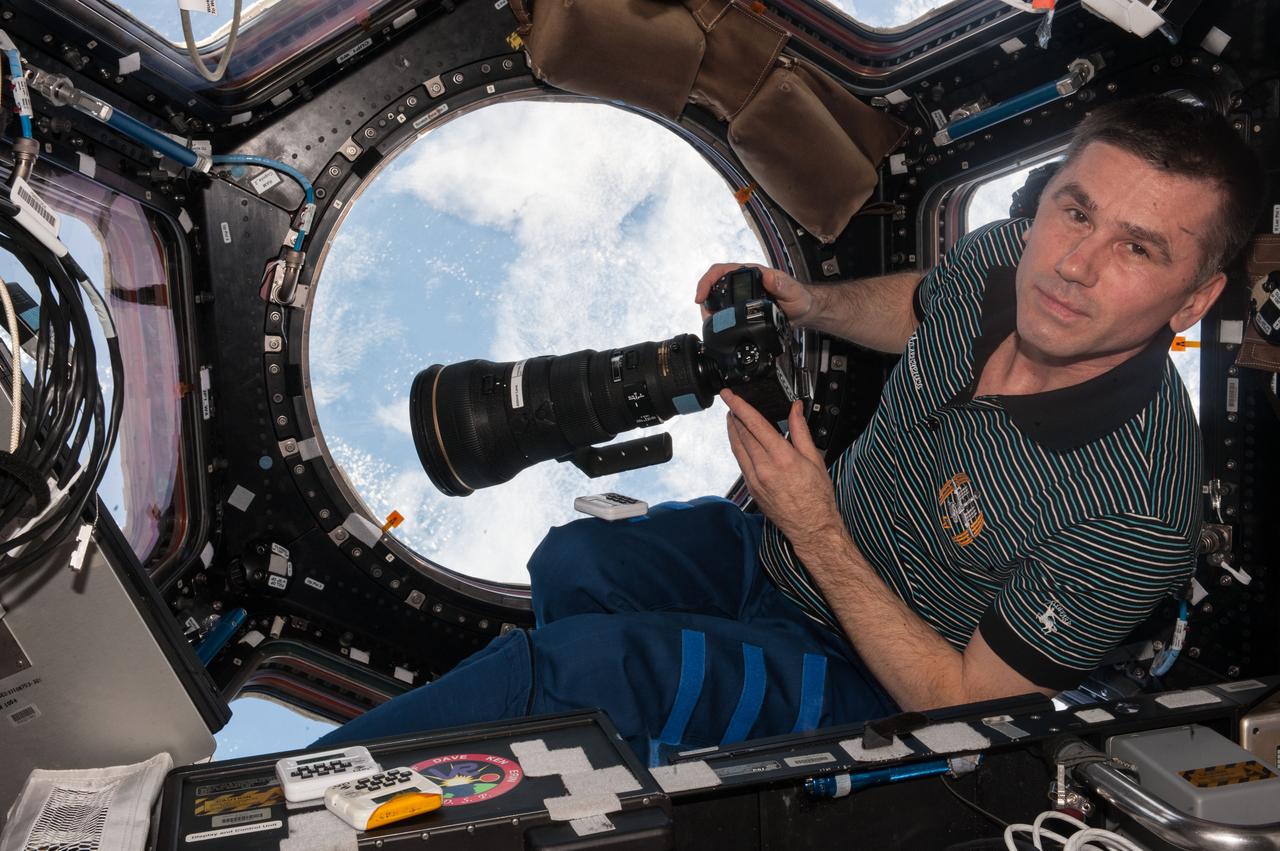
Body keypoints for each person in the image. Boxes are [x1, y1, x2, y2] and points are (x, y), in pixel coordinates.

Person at [314, 96, 1266, 764]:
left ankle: (281, 811)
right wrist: (809, 303)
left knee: (583, 675)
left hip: (871, 679)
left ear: (1195, 297)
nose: (1074, 264)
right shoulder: (1009, 255)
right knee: (575, 562)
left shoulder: (1139, 509)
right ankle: (608, 775)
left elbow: (972, 710)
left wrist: (818, 528)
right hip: (774, 551)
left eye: (1137, 248)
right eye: (1075, 210)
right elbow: (921, 305)